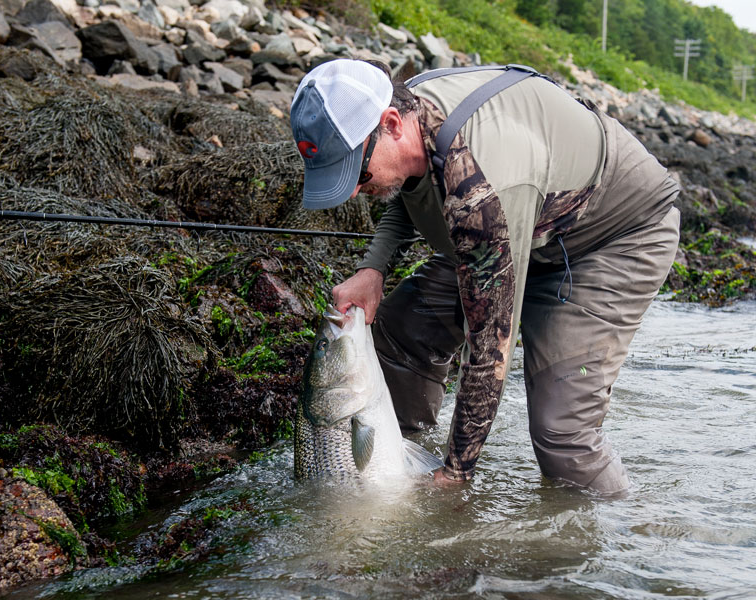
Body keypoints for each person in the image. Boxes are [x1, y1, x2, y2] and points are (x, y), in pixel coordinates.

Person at [289, 58, 680, 494]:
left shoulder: (482, 184)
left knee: (562, 436)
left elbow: (490, 350)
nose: (357, 190)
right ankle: (396, 464)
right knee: (403, 332)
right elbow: (407, 185)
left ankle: (624, 535)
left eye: (358, 174)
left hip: (610, 239)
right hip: (508, 228)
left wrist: (456, 473)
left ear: (392, 123)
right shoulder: (410, 113)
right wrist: (372, 267)